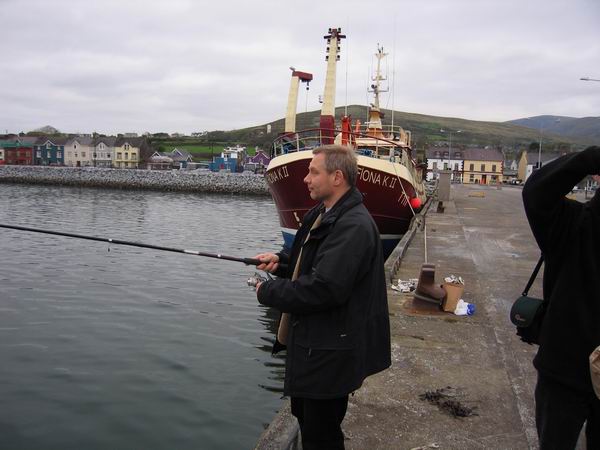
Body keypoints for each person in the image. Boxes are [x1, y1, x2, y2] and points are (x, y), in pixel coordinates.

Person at [254, 145, 391, 449]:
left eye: (313, 172)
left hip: (330, 353)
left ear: (337, 177)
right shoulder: (323, 213)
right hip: (315, 348)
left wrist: (268, 291)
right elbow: (311, 260)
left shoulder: (353, 226)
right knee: (306, 418)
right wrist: (281, 262)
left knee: (321, 435)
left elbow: (324, 288)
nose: (306, 179)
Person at [522, 146, 600, 449]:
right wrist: (591, 157)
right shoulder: (572, 223)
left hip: (561, 372)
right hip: (564, 376)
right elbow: (536, 192)